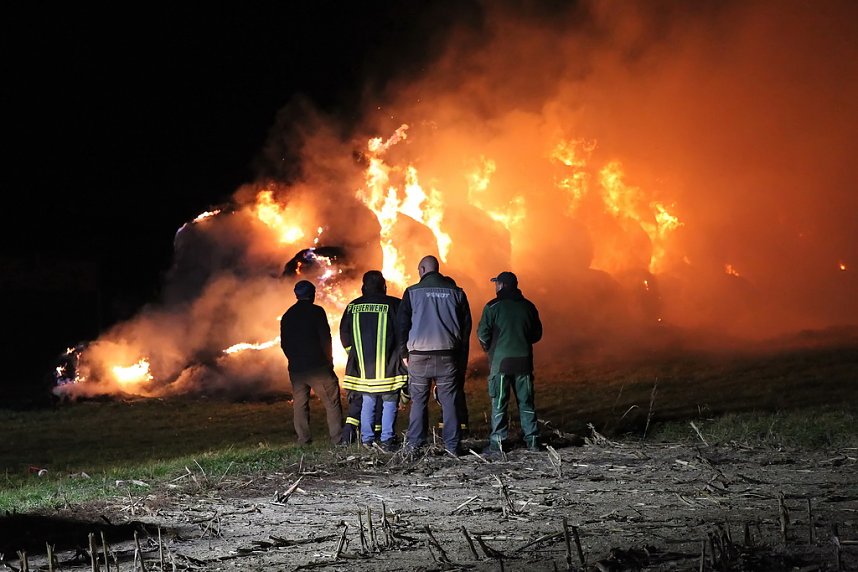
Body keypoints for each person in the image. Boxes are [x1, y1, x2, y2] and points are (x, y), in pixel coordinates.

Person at [397, 255, 472, 456]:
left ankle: (414, 446)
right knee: (449, 402)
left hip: (418, 356)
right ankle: (452, 446)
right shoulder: (457, 292)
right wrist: (461, 358)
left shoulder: (412, 292)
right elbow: (465, 329)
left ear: (422, 270)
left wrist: (404, 353)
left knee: (418, 402)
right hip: (447, 355)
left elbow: (402, 326)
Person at [339, 270, 408, 451]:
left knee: (368, 400)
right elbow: (403, 332)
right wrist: (402, 355)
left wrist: (354, 355)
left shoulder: (353, 306)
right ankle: (387, 439)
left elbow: (344, 334)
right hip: (389, 366)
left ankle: (367, 439)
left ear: (363, 287)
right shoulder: (395, 304)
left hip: (363, 368)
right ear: (384, 286)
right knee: (390, 400)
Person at [477, 271, 543, 454]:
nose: (495, 286)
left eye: (497, 283)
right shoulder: (529, 306)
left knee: (499, 403)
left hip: (501, 364)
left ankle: (497, 444)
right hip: (524, 363)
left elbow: (482, 334)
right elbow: (537, 334)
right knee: (526, 402)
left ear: (502, 285)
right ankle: (533, 441)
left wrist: (489, 349)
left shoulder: (492, 307)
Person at [279, 280, 344, 445]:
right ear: (312, 294)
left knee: (299, 405)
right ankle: (337, 439)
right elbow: (325, 338)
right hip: (318, 367)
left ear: (296, 295)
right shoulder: (317, 312)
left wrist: (293, 359)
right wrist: (329, 360)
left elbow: (284, 343)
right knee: (332, 402)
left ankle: (303, 440)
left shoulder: (287, 315)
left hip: (297, 369)